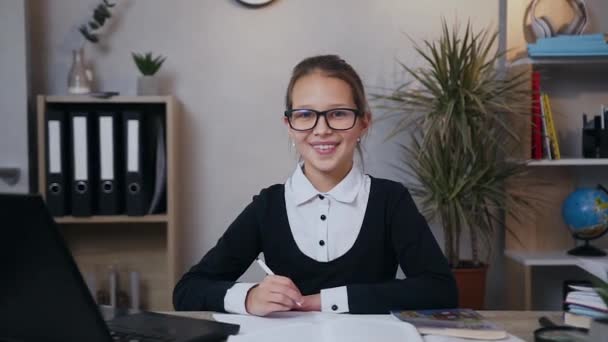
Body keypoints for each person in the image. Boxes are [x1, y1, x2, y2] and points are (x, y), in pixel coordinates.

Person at [173, 55, 458, 316]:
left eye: (338, 113)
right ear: (289, 124)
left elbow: (440, 290)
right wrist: (249, 297)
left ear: (363, 123)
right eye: (306, 114)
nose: (321, 129)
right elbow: (187, 290)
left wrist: (322, 301)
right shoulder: (268, 207)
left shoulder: (390, 200)